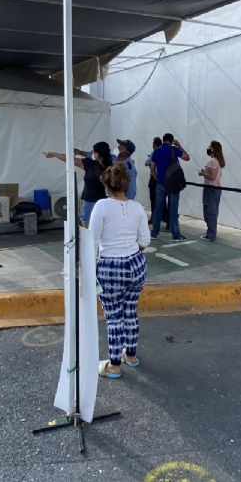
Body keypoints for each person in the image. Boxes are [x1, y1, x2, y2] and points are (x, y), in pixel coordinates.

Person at [89, 162, 150, 379]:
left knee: (114, 317)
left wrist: (86, 271)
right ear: (126, 184)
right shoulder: (137, 207)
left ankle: (114, 365)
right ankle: (130, 356)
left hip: (110, 267)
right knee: (130, 312)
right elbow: (145, 240)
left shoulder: (102, 206)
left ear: (107, 185)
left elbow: (92, 241)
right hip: (136, 264)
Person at [43, 141, 113, 227]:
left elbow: (70, 160)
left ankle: (88, 239)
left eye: (94, 151)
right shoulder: (111, 165)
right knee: (102, 222)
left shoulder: (91, 164)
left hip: (93, 200)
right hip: (104, 200)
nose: (92, 153)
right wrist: (79, 152)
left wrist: (55, 154)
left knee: (87, 221)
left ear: (97, 154)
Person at [150, 133, 190, 241]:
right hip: (173, 183)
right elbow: (187, 158)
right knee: (173, 209)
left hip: (161, 183)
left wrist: (157, 177)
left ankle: (154, 233)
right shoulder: (174, 149)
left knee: (158, 208)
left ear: (163, 140)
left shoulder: (156, 151)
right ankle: (175, 235)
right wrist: (179, 145)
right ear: (172, 140)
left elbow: (152, 168)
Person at [198, 140, 225, 241]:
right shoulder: (217, 161)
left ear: (213, 149)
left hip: (211, 189)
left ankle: (211, 234)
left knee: (210, 212)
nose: (208, 148)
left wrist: (203, 174)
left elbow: (212, 177)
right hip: (215, 189)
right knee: (212, 211)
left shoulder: (212, 161)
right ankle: (211, 232)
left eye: (210, 147)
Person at [146, 137, 169, 230]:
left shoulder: (155, 152)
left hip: (155, 179)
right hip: (164, 179)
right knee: (162, 200)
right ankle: (167, 219)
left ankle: (155, 218)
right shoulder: (165, 152)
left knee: (154, 199)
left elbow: (147, 162)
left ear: (155, 144)